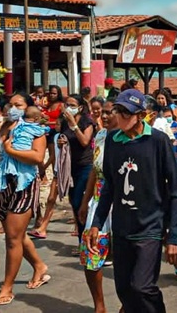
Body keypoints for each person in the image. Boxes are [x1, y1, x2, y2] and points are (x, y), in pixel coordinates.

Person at [85, 89, 177, 313]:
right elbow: (109, 185)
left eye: (126, 113)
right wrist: (97, 223)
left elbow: (176, 190)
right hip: (122, 225)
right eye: (117, 111)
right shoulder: (112, 140)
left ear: (141, 115)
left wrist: (174, 235)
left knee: (142, 287)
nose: (120, 117)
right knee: (124, 289)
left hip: (150, 225)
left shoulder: (158, 141)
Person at [0, 91, 50, 306]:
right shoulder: (2, 127)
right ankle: (39, 266)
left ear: (28, 108)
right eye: (10, 105)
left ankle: (7, 286)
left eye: (18, 105)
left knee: (12, 238)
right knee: (17, 235)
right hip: (3, 183)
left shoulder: (34, 129)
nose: (12, 108)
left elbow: (37, 157)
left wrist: (10, 150)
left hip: (23, 184)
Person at [77, 100, 118, 312]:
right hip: (98, 200)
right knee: (91, 254)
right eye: (102, 113)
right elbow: (95, 170)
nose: (105, 116)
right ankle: (99, 305)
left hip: (123, 202)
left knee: (126, 257)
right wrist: (85, 202)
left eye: (110, 112)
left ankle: (127, 304)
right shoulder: (100, 136)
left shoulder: (135, 141)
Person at [58, 94, 96, 242]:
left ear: (80, 107)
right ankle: (82, 239)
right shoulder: (64, 122)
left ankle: (88, 238)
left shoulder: (87, 122)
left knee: (81, 202)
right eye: (67, 104)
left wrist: (74, 125)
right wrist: (61, 142)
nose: (69, 108)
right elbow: (62, 137)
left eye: (72, 105)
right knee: (74, 202)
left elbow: (85, 141)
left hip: (85, 166)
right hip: (70, 166)